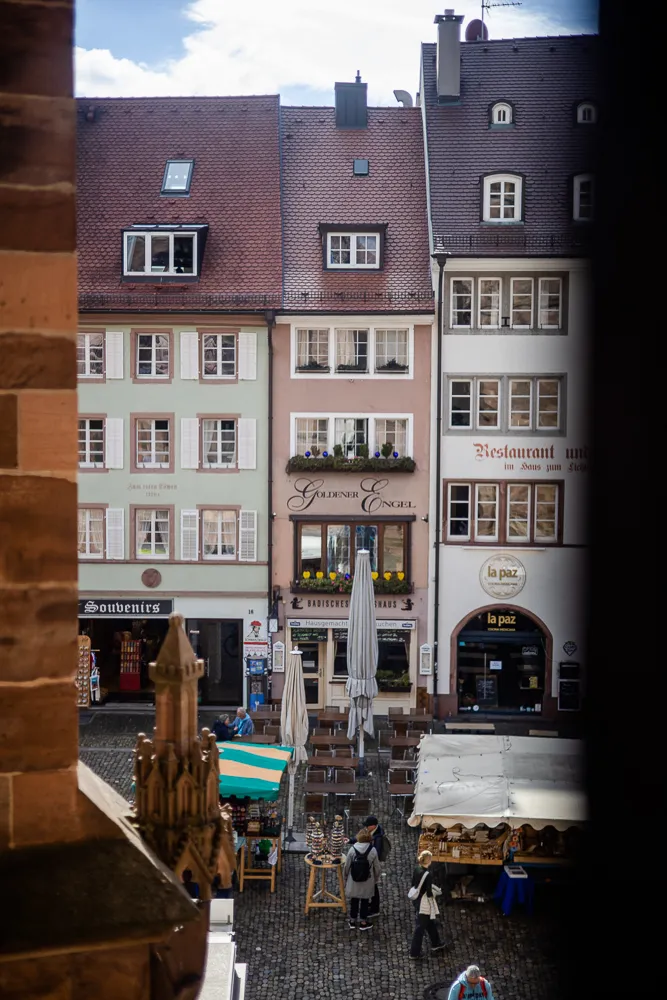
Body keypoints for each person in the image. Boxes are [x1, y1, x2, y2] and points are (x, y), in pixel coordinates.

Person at [348, 814, 390, 920]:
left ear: (373, 826)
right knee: (373, 887)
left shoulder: (378, 838)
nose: (366, 827)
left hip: (370, 865)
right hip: (369, 863)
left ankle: (375, 909)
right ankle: (372, 906)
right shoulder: (372, 832)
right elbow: (361, 838)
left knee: (374, 888)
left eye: (368, 825)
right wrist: (350, 840)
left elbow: (376, 854)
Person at [409, 849, 446, 959]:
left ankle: (436, 942)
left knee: (429, 922)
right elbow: (429, 892)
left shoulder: (417, 869)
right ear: (429, 860)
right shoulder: (428, 875)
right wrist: (435, 893)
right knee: (420, 927)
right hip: (424, 903)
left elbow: (413, 883)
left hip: (417, 900)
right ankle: (414, 952)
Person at [342, 829, 381, 931]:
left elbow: (347, 866)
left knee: (354, 900)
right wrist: (376, 879)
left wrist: (345, 877)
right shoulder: (373, 850)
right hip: (367, 880)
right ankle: (363, 922)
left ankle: (352, 920)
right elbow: (377, 868)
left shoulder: (352, 849)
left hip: (354, 879)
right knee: (365, 901)